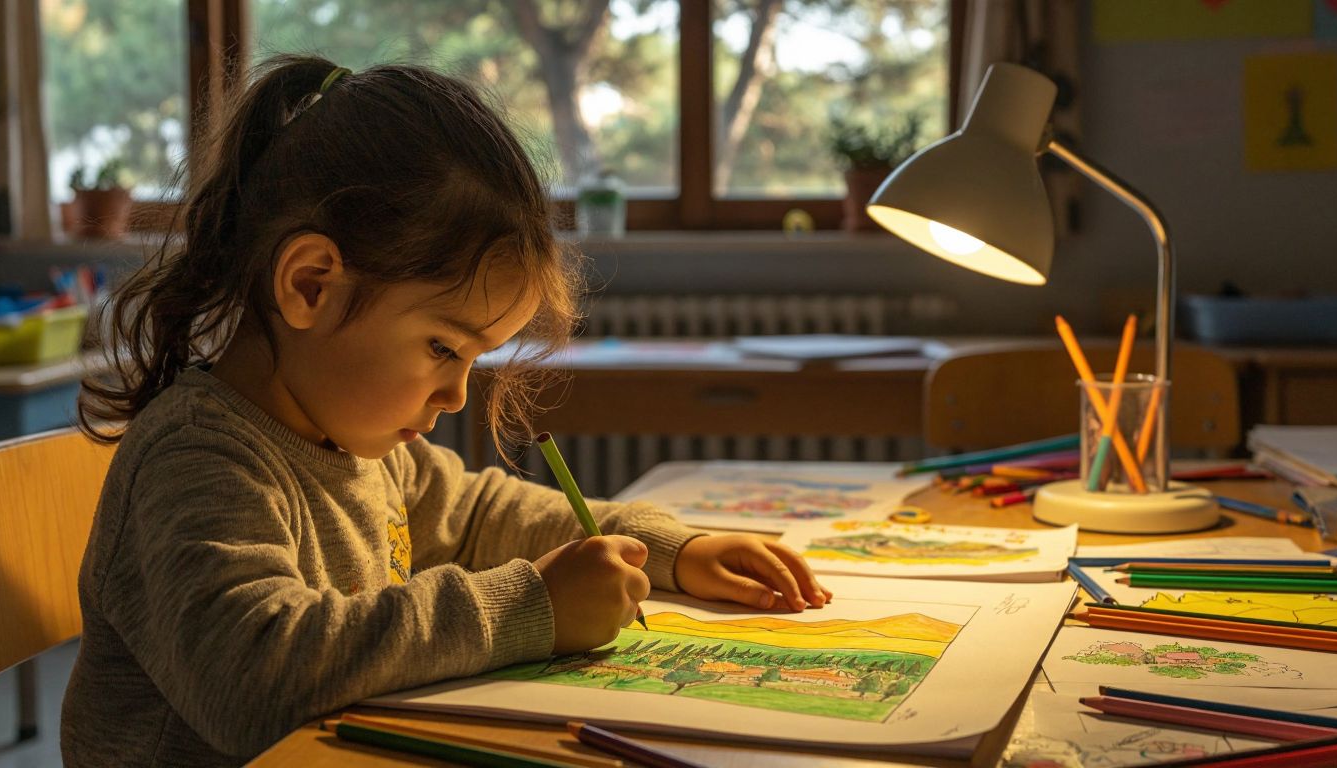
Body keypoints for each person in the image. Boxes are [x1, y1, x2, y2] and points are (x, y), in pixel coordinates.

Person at [61, 55, 830, 767]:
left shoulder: (358, 447)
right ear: (309, 285)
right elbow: (253, 676)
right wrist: (531, 606)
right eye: (441, 347)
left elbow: (483, 514)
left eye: (472, 358)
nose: (457, 394)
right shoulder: (196, 460)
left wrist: (665, 548)